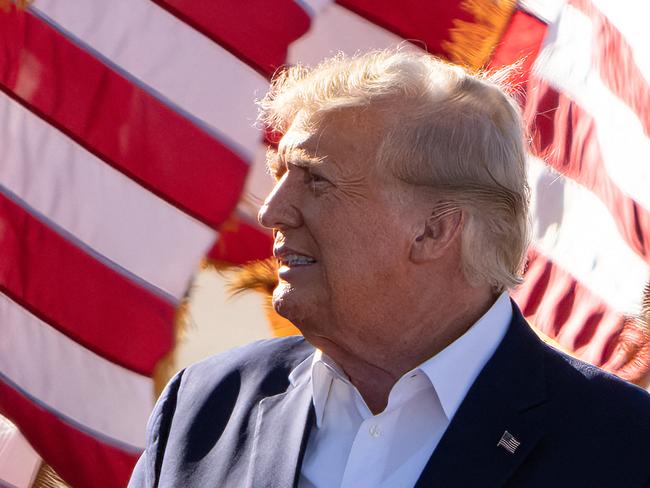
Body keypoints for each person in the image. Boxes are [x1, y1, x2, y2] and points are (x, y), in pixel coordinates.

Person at [129, 49, 650, 488]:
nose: (272, 211)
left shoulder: (626, 447)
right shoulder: (204, 407)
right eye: (280, 174)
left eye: (316, 181)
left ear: (434, 230)